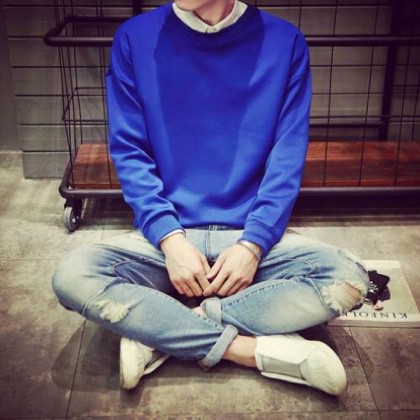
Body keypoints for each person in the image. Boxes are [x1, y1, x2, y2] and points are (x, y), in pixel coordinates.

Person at [52, 0, 369, 396]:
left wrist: (252, 245)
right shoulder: (135, 39)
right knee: (73, 275)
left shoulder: (285, 42)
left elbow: (287, 157)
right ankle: (251, 351)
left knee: (349, 277)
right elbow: (130, 151)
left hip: (248, 237)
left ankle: (161, 332)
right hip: (168, 240)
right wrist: (171, 240)